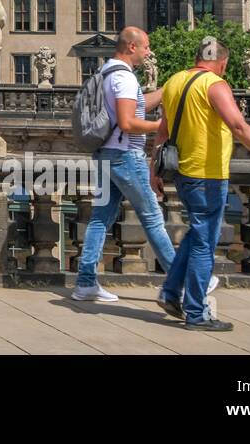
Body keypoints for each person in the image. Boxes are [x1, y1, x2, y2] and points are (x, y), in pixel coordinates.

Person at [153, 36, 250, 331]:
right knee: (203, 243)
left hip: (182, 172)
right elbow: (239, 126)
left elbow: (162, 131)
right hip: (207, 175)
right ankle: (196, 312)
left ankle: (171, 292)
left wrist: (154, 171)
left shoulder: (174, 82)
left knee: (195, 234)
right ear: (222, 62)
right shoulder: (215, 84)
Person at [72, 27, 179, 301]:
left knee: (100, 219)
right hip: (125, 156)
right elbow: (129, 122)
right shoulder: (125, 79)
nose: (148, 52)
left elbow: (136, 105)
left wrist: (167, 90)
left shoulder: (108, 72)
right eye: (145, 47)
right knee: (153, 218)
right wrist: (163, 126)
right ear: (132, 47)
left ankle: (85, 283)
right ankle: (184, 278)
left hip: (107, 153)